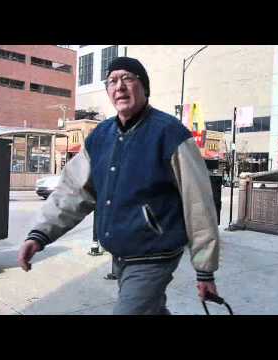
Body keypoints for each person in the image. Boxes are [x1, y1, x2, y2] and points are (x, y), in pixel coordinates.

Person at [17, 56, 220, 315]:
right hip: (121, 255)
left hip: (154, 254)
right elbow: (73, 191)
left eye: (127, 78)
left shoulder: (171, 134)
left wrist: (205, 270)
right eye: (112, 81)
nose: (119, 86)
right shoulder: (100, 137)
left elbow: (198, 204)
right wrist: (39, 234)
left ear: (144, 88)